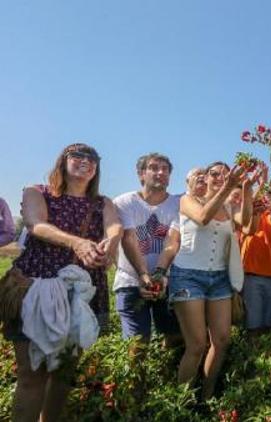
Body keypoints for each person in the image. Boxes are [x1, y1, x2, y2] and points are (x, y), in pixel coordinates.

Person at [2, 143, 122, 422]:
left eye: (92, 158)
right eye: (77, 155)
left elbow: (114, 226)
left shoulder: (103, 203)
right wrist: (77, 242)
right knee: (32, 374)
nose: (85, 161)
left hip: (81, 294)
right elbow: (35, 224)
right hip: (34, 288)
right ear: (62, 161)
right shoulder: (37, 192)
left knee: (63, 372)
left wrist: (111, 242)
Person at [167, 161, 252, 400]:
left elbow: (246, 222)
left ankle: (205, 397)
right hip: (188, 276)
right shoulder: (188, 201)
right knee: (196, 344)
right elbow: (203, 217)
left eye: (225, 174)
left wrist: (246, 188)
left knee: (222, 340)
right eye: (214, 174)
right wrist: (230, 185)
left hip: (219, 279)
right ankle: (179, 404)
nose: (220, 178)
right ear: (205, 177)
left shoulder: (227, 205)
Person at [112, 153, 181, 345]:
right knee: (137, 344)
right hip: (131, 281)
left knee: (175, 337)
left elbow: (172, 240)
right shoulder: (124, 202)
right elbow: (129, 238)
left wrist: (159, 275)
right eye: (154, 168)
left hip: (166, 281)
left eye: (165, 169)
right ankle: (136, 376)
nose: (160, 172)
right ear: (141, 174)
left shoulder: (178, 204)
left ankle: (166, 374)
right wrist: (143, 276)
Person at [241, 158, 271, 335]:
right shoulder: (250, 213)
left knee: (270, 326)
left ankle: (268, 359)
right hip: (252, 275)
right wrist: (261, 179)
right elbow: (253, 199)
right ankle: (252, 361)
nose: (265, 198)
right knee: (253, 326)